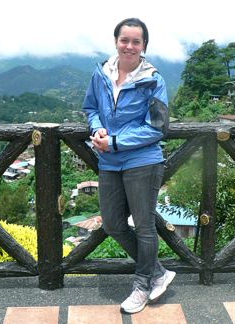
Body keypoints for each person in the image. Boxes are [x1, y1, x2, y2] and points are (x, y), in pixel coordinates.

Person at [82, 17, 175, 314]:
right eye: (125, 40)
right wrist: (97, 129)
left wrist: (117, 141)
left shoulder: (153, 80)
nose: (130, 46)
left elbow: (158, 127)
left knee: (145, 226)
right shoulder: (101, 74)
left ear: (144, 46)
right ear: (116, 42)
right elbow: (91, 107)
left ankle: (142, 285)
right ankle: (158, 272)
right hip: (109, 161)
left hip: (142, 161)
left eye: (136, 41)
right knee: (112, 223)